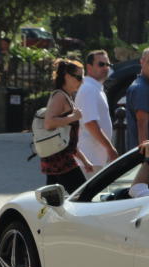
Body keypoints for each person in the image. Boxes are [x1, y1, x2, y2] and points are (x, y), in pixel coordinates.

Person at [41, 59, 94, 194]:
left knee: (53, 202)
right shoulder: (59, 96)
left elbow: (67, 137)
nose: (81, 81)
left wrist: (84, 160)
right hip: (60, 162)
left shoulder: (67, 97)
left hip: (58, 159)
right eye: (78, 77)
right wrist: (73, 117)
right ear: (67, 76)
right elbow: (49, 123)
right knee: (83, 196)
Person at [75, 49, 118, 178]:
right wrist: (110, 148)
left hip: (95, 159)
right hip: (89, 159)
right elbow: (90, 123)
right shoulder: (89, 89)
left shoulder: (96, 88)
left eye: (108, 64)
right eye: (101, 64)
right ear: (89, 67)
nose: (105, 68)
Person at [126, 47, 149, 151]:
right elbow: (142, 123)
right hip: (145, 154)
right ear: (142, 62)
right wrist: (146, 157)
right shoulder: (141, 88)